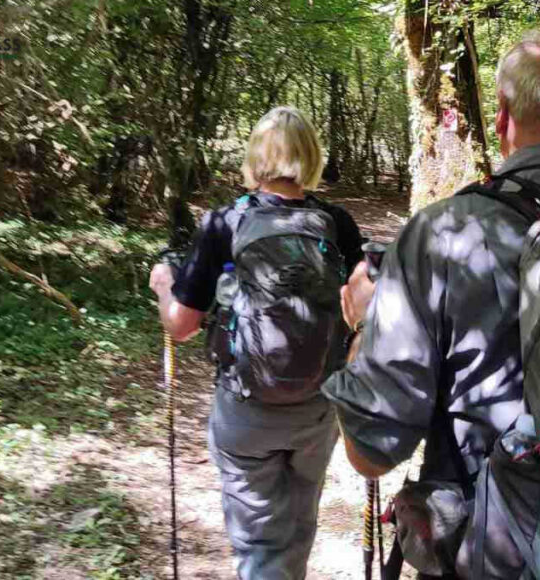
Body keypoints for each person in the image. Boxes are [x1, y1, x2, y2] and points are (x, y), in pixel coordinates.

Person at [322, 31, 540, 578]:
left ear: (501, 119)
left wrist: (364, 325)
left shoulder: (446, 233)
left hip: (491, 555)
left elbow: (372, 448)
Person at [149, 106, 363, 580]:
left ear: (255, 157)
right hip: (317, 407)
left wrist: (165, 284)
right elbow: (367, 308)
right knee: (299, 527)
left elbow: (181, 326)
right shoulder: (336, 223)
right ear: (311, 156)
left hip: (246, 409)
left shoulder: (224, 223)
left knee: (260, 545)